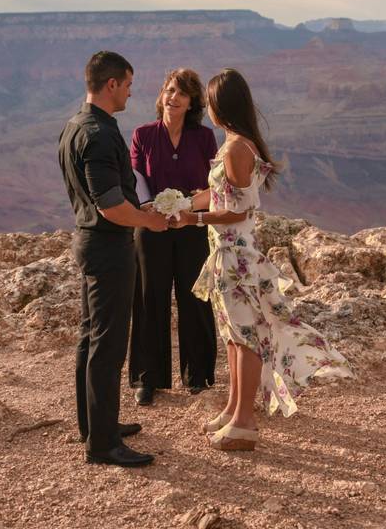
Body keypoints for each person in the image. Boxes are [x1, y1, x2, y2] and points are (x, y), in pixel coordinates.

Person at [171, 68, 354, 451]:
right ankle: (233, 409)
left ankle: (245, 423)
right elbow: (219, 195)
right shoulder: (235, 143)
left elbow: (237, 211)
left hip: (236, 255)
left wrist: (193, 218)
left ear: (222, 104)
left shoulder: (238, 147)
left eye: (210, 100)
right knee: (234, 337)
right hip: (225, 254)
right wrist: (184, 202)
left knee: (247, 338)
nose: (206, 107)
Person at [57, 50, 169, 467]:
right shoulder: (100, 134)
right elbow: (109, 205)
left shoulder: (75, 125)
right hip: (107, 247)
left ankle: (95, 424)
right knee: (108, 343)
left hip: (88, 242)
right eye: (127, 85)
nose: (129, 93)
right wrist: (148, 221)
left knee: (91, 337)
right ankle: (103, 445)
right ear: (111, 85)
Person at [128, 69, 219, 406]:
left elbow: (214, 183)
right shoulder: (143, 134)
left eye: (181, 93)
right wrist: (150, 208)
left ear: (192, 101)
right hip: (151, 226)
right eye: (169, 90)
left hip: (192, 226)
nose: (173, 98)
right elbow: (135, 176)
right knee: (150, 298)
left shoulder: (204, 137)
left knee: (195, 298)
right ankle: (147, 379)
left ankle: (198, 377)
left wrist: (188, 208)